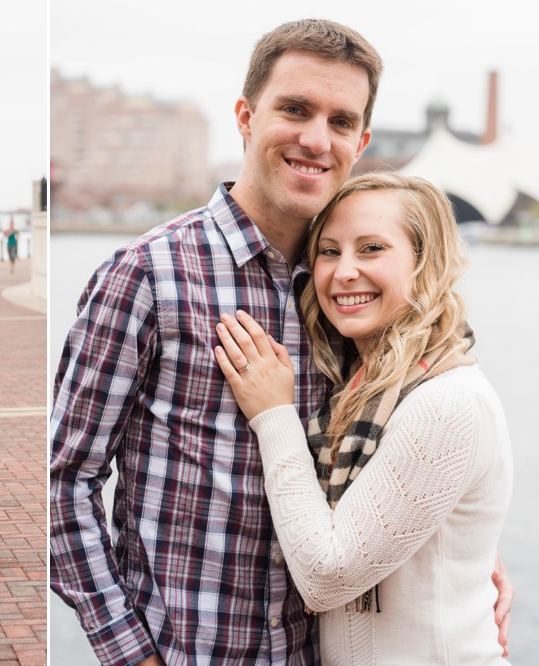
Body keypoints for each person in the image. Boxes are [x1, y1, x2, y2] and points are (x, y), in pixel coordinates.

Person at [49, 19, 513, 665]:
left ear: (362, 140)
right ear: (245, 115)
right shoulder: (148, 276)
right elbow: (65, 482)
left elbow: (402, 456)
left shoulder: (354, 299)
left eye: (341, 121)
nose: (316, 138)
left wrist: (464, 557)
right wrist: (131, 655)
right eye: (295, 109)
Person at [214, 172, 512, 663]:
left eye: (372, 248)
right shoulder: (358, 390)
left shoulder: (447, 403)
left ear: (425, 262)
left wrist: (273, 415)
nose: (344, 271)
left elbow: (325, 579)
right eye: (329, 252)